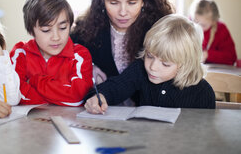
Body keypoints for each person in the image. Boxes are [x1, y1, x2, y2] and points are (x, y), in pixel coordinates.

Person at [71, 0, 173, 105]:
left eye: (132, 3)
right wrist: (89, 66)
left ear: (144, 0)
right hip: (104, 119)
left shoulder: (162, 30)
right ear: (101, 1)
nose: (123, 12)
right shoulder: (86, 31)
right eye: (113, 3)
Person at [84, 14, 216, 114]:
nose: (152, 67)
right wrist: (99, 96)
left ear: (184, 64)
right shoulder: (140, 70)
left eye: (165, 64)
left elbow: (203, 134)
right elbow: (116, 86)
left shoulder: (202, 93)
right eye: (149, 56)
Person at [10, 0, 93, 106]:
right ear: (31, 30)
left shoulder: (80, 55)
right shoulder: (20, 53)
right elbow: (13, 95)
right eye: (46, 30)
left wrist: (35, 81)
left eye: (63, 28)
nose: (56, 37)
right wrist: (58, 95)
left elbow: (77, 97)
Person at [189, 0, 237, 65]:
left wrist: (208, 55)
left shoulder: (221, 29)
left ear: (214, 21)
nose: (198, 27)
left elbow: (232, 57)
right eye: (195, 23)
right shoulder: (188, 24)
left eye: (203, 25)